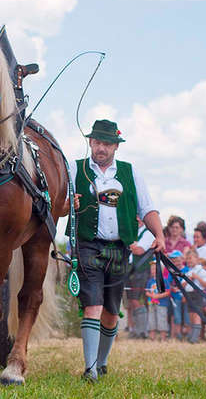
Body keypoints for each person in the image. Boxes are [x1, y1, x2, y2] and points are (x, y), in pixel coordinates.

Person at [69, 119, 165, 381]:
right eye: (97, 142)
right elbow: (58, 201)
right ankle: (89, 369)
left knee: (111, 311)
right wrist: (70, 201)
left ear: (116, 146)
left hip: (120, 247)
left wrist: (159, 234)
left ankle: (101, 362)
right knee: (93, 305)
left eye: (107, 144)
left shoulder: (130, 172)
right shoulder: (74, 169)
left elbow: (147, 209)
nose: (101, 148)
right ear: (90, 142)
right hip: (88, 244)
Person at [125, 217, 154, 339]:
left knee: (138, 301)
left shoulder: (148, 233)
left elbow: (138, 250)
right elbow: (134, 247)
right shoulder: (134, 232)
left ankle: (142, 332)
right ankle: (136, 330)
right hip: (131, 270)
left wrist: (127, 242)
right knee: (132, 301)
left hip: (141, 271)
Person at [183, 249, 206, 343]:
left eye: (191, 258)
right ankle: (191, 336)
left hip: (198, 294)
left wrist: (196, 277)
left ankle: (195, 338)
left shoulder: (202, 272)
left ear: (197, 259)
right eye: (187, 259)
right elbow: (182, 285)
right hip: (189, 294)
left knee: (197, 316)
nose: (189, 261)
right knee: (191, 316)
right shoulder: (188, 272)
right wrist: (188, 280)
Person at [145, 260, 170, 341]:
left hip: (161, 304)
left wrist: (158, 296)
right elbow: (147, 292)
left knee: (161, 319)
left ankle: (163, 338)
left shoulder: (164, 280)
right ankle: (152, 337)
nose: (153, 271)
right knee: (151, 319)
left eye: (155, 269)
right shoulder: (150, 281)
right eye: (152, 269)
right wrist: (151, 295)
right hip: (151, 303)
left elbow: (168, 292)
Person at [168, 250, 189, 341]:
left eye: (177, 259)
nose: (176, 262)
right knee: (177, 316)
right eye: (173, 260)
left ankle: (188, 333)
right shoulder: (171, 271)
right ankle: (178, 334)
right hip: (175, 297)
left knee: (187, 315)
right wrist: (172, 288)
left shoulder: (187, 270)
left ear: (182, 259)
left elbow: (189, 282)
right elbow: (169, 283)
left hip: (186, 296)